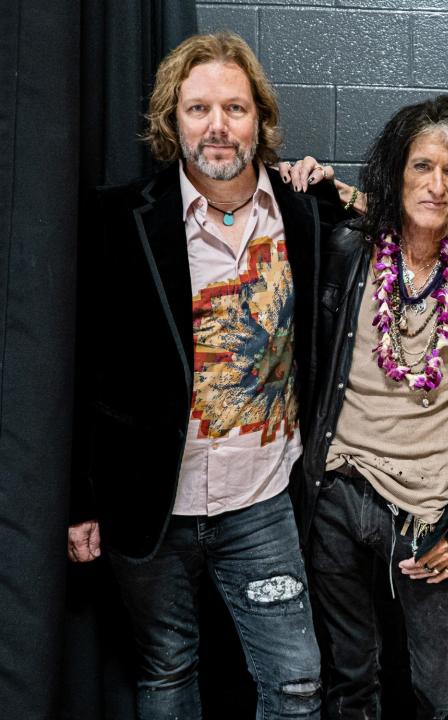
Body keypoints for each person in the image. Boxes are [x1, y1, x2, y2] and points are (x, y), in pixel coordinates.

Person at [67, 32, 352, 718]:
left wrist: (337, 185)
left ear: (261, 119)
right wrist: (81, 500)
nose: (218, 126)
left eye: (235, 107)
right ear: (172, 121)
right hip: (151, 506)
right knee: (168, 672)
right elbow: (84, 370)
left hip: (261, 504)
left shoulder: (303, 214)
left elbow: (407, 213)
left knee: (297, 683)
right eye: (198, 109)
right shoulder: (119, 220)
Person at [287, 96, 448, 719]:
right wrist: (306, 185)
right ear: (397, 172)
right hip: (338, 495)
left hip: (430, 515)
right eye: (422, 166)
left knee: (440, 688)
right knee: (349, 678)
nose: (437, 184)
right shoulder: (350, 249)